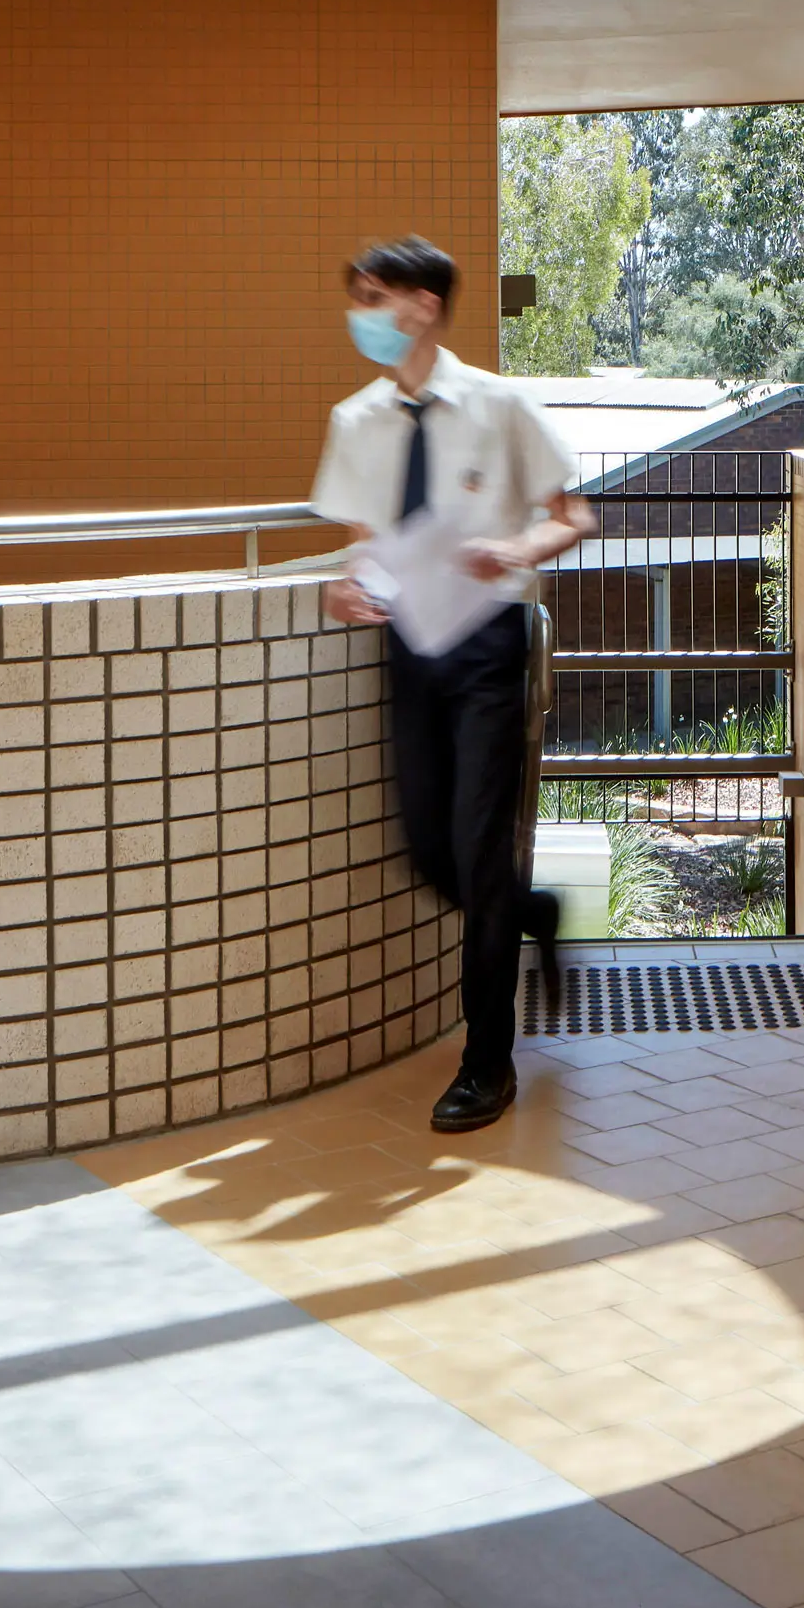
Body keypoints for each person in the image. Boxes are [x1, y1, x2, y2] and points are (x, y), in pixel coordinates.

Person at [311, 236, 596, 1133]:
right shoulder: (355, 419)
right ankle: (534, 906)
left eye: (373, 296)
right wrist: (342, 585)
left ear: (423, 305)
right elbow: (362, 540)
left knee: (476, 853)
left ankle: (488, 1064)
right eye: (355, 297)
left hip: (486, 645)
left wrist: (517, 547)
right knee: (427, 851)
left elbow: (575, 514)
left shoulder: (499, 404)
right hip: (410, 646)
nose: (361, 313)